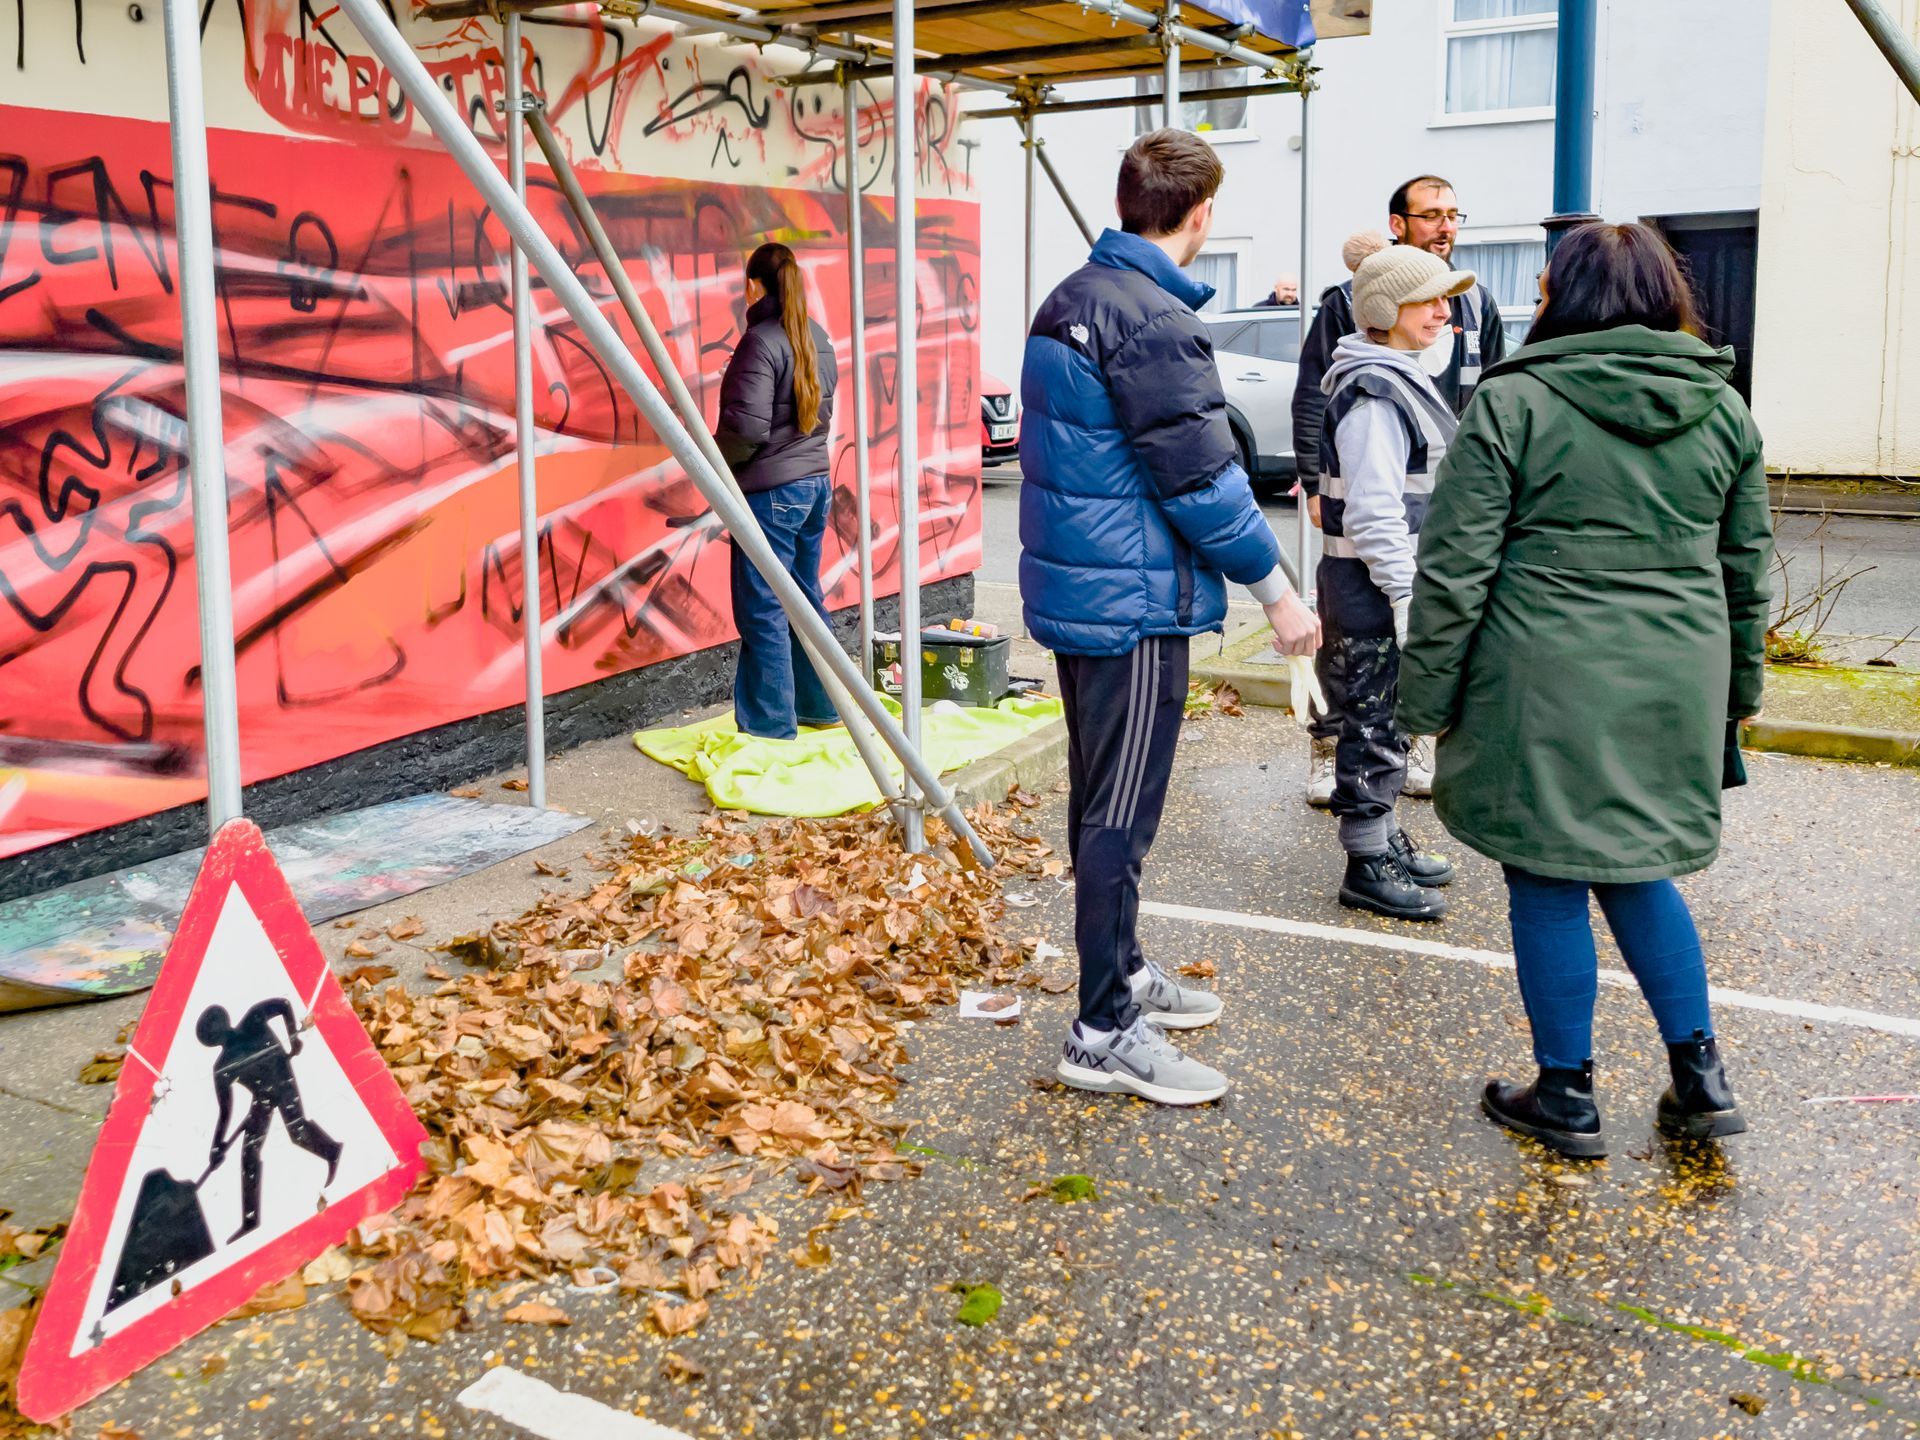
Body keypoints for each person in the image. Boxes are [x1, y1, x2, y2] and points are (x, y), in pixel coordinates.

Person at [1398, 223, 1773, 1159]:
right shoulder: (1722, 407)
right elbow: (1745, 569)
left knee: (1548, 870)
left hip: (1544, 669)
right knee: (1639, 861)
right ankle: (1702, 1076)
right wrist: (1740, 690)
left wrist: (1423, 701)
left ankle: (1565, 1092)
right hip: (1677, 669)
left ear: (1563, 298)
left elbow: (1456, 567)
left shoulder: (1515, 399)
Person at [1021, 129, 1320, 1106]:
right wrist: (1278, 593)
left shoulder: (1069, 300)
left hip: (1081, 596)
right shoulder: (1154, 320)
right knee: (1120, 813)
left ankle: (1124, 969)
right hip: (1136, 605)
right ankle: (1103, 1026)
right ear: (1200, 216)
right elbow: (1202, 483)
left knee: (1096, 800)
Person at [1292, 177, 1506, 807]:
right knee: (1363, 691)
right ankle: (1349, 799)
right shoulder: (1371, 367)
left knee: (1383, 699)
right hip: (1375, 562)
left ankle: (1382, 809)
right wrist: (1313, 480)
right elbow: (1325, 408)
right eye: (1431, 215)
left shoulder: (1460, 318)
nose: (1446, 226)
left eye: (1452, 215)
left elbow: (1487, 388)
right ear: (1398, 223)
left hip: (1405, 547)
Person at [1314, 245, 1471, 923]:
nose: (1444, 310)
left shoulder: (1394, 376)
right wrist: (1406, 596)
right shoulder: (1375, 393)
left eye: (1446, 298)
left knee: (1390, 721)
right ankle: (1365, 862)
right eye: (1428, 300)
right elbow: (1376, 510)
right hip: (1372, 587)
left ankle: (1380, 839)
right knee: (1374, 723)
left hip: (1380, 583)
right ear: (1386, 312)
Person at [714, 241, 841, 739]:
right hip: (814, 485)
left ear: (752, 285)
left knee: (763, 604)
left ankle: (771, 724)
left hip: (771, 492)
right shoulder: (819, 337)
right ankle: (820, 707)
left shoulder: (760, 342)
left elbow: (746, 430)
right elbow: (819, 415)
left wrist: (717, 466)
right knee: (804, 598)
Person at [197, 1000, 341, 1242]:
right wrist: (217, 1145)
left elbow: (284, 1004)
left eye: (214, 1029)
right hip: (262, 1098)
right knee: (249, 1153)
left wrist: (293, 1037)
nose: (216, 1035)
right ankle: (251, 1221)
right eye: (211, 1034)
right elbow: (225, 1111)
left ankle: (332, 1151)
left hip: (283, 1081)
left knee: (297, 1132)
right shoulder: (222, 1067)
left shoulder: (252, 1019)